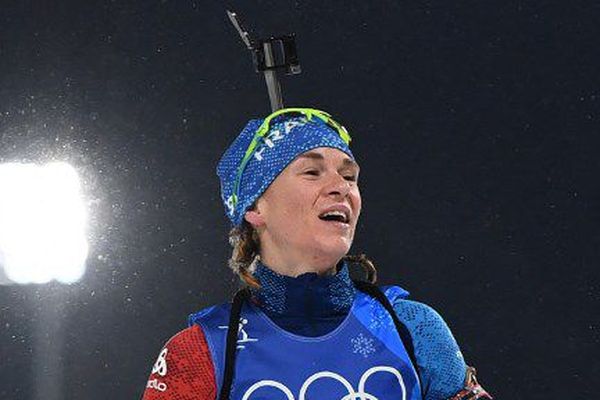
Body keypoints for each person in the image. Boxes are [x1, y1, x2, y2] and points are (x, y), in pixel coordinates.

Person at [141, 108, 492, 400]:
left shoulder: (412, 327)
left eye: (349, 176)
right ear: (255, 207)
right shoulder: (200, 351)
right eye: (312, 172)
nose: (341, 187)